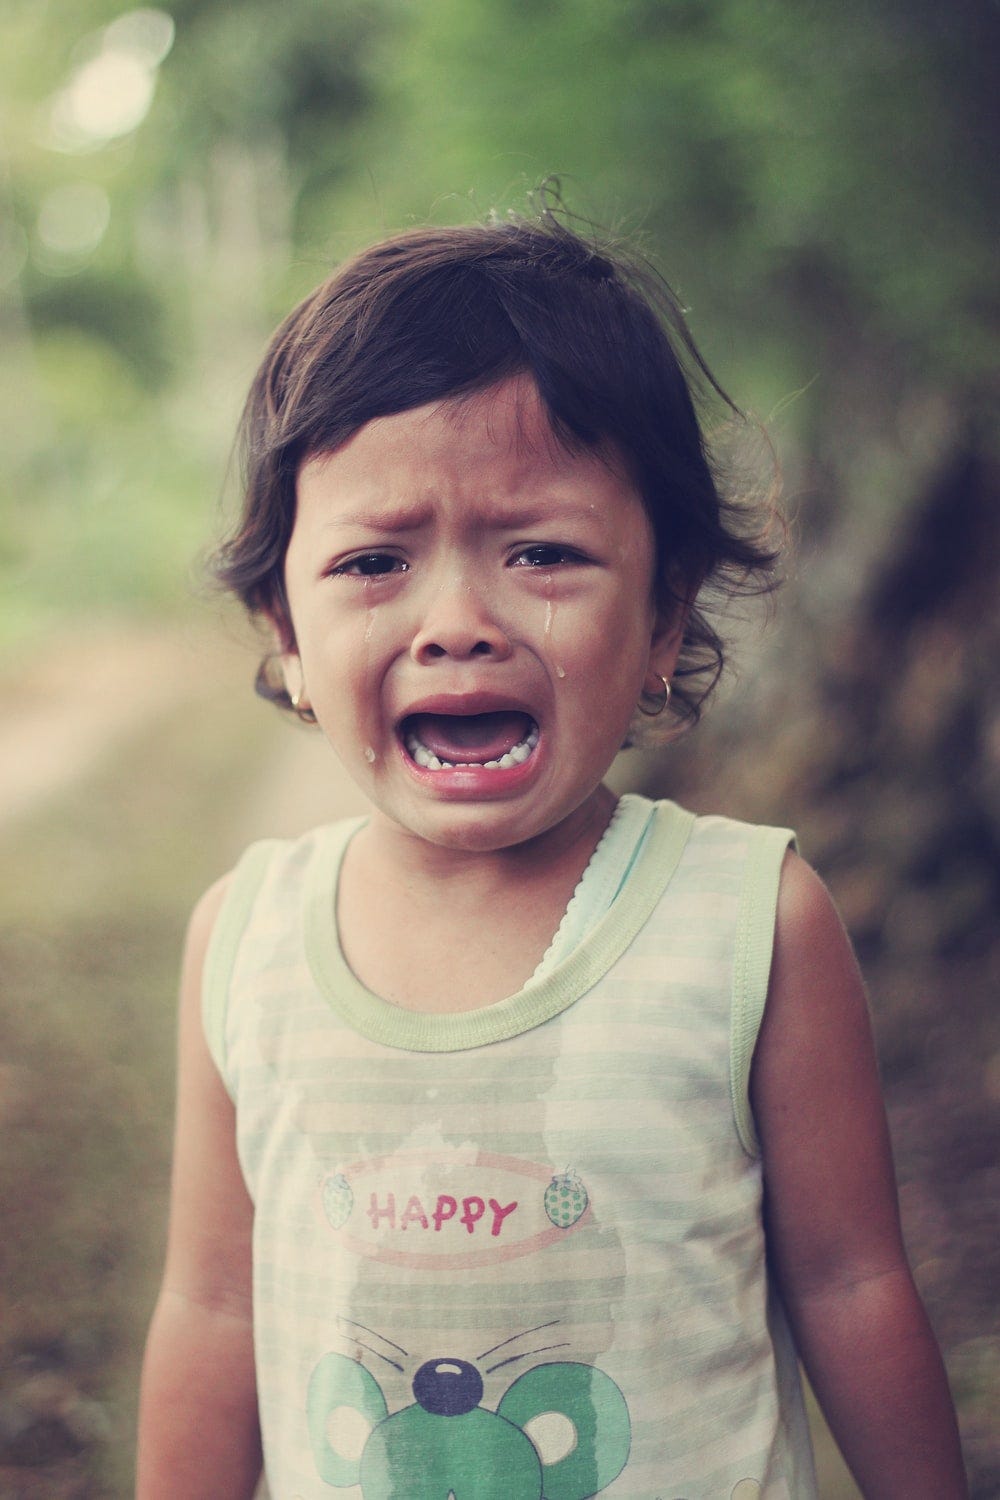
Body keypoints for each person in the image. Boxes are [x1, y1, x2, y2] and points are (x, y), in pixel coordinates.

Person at [137, 207, 966, 1499]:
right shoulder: (246, 945)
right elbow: (212, 1308)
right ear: (285, 631)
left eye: (542, 553)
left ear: (662, 614)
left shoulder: (748, 924)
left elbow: (851, 1282)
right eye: (373, 561)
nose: (457, 621)